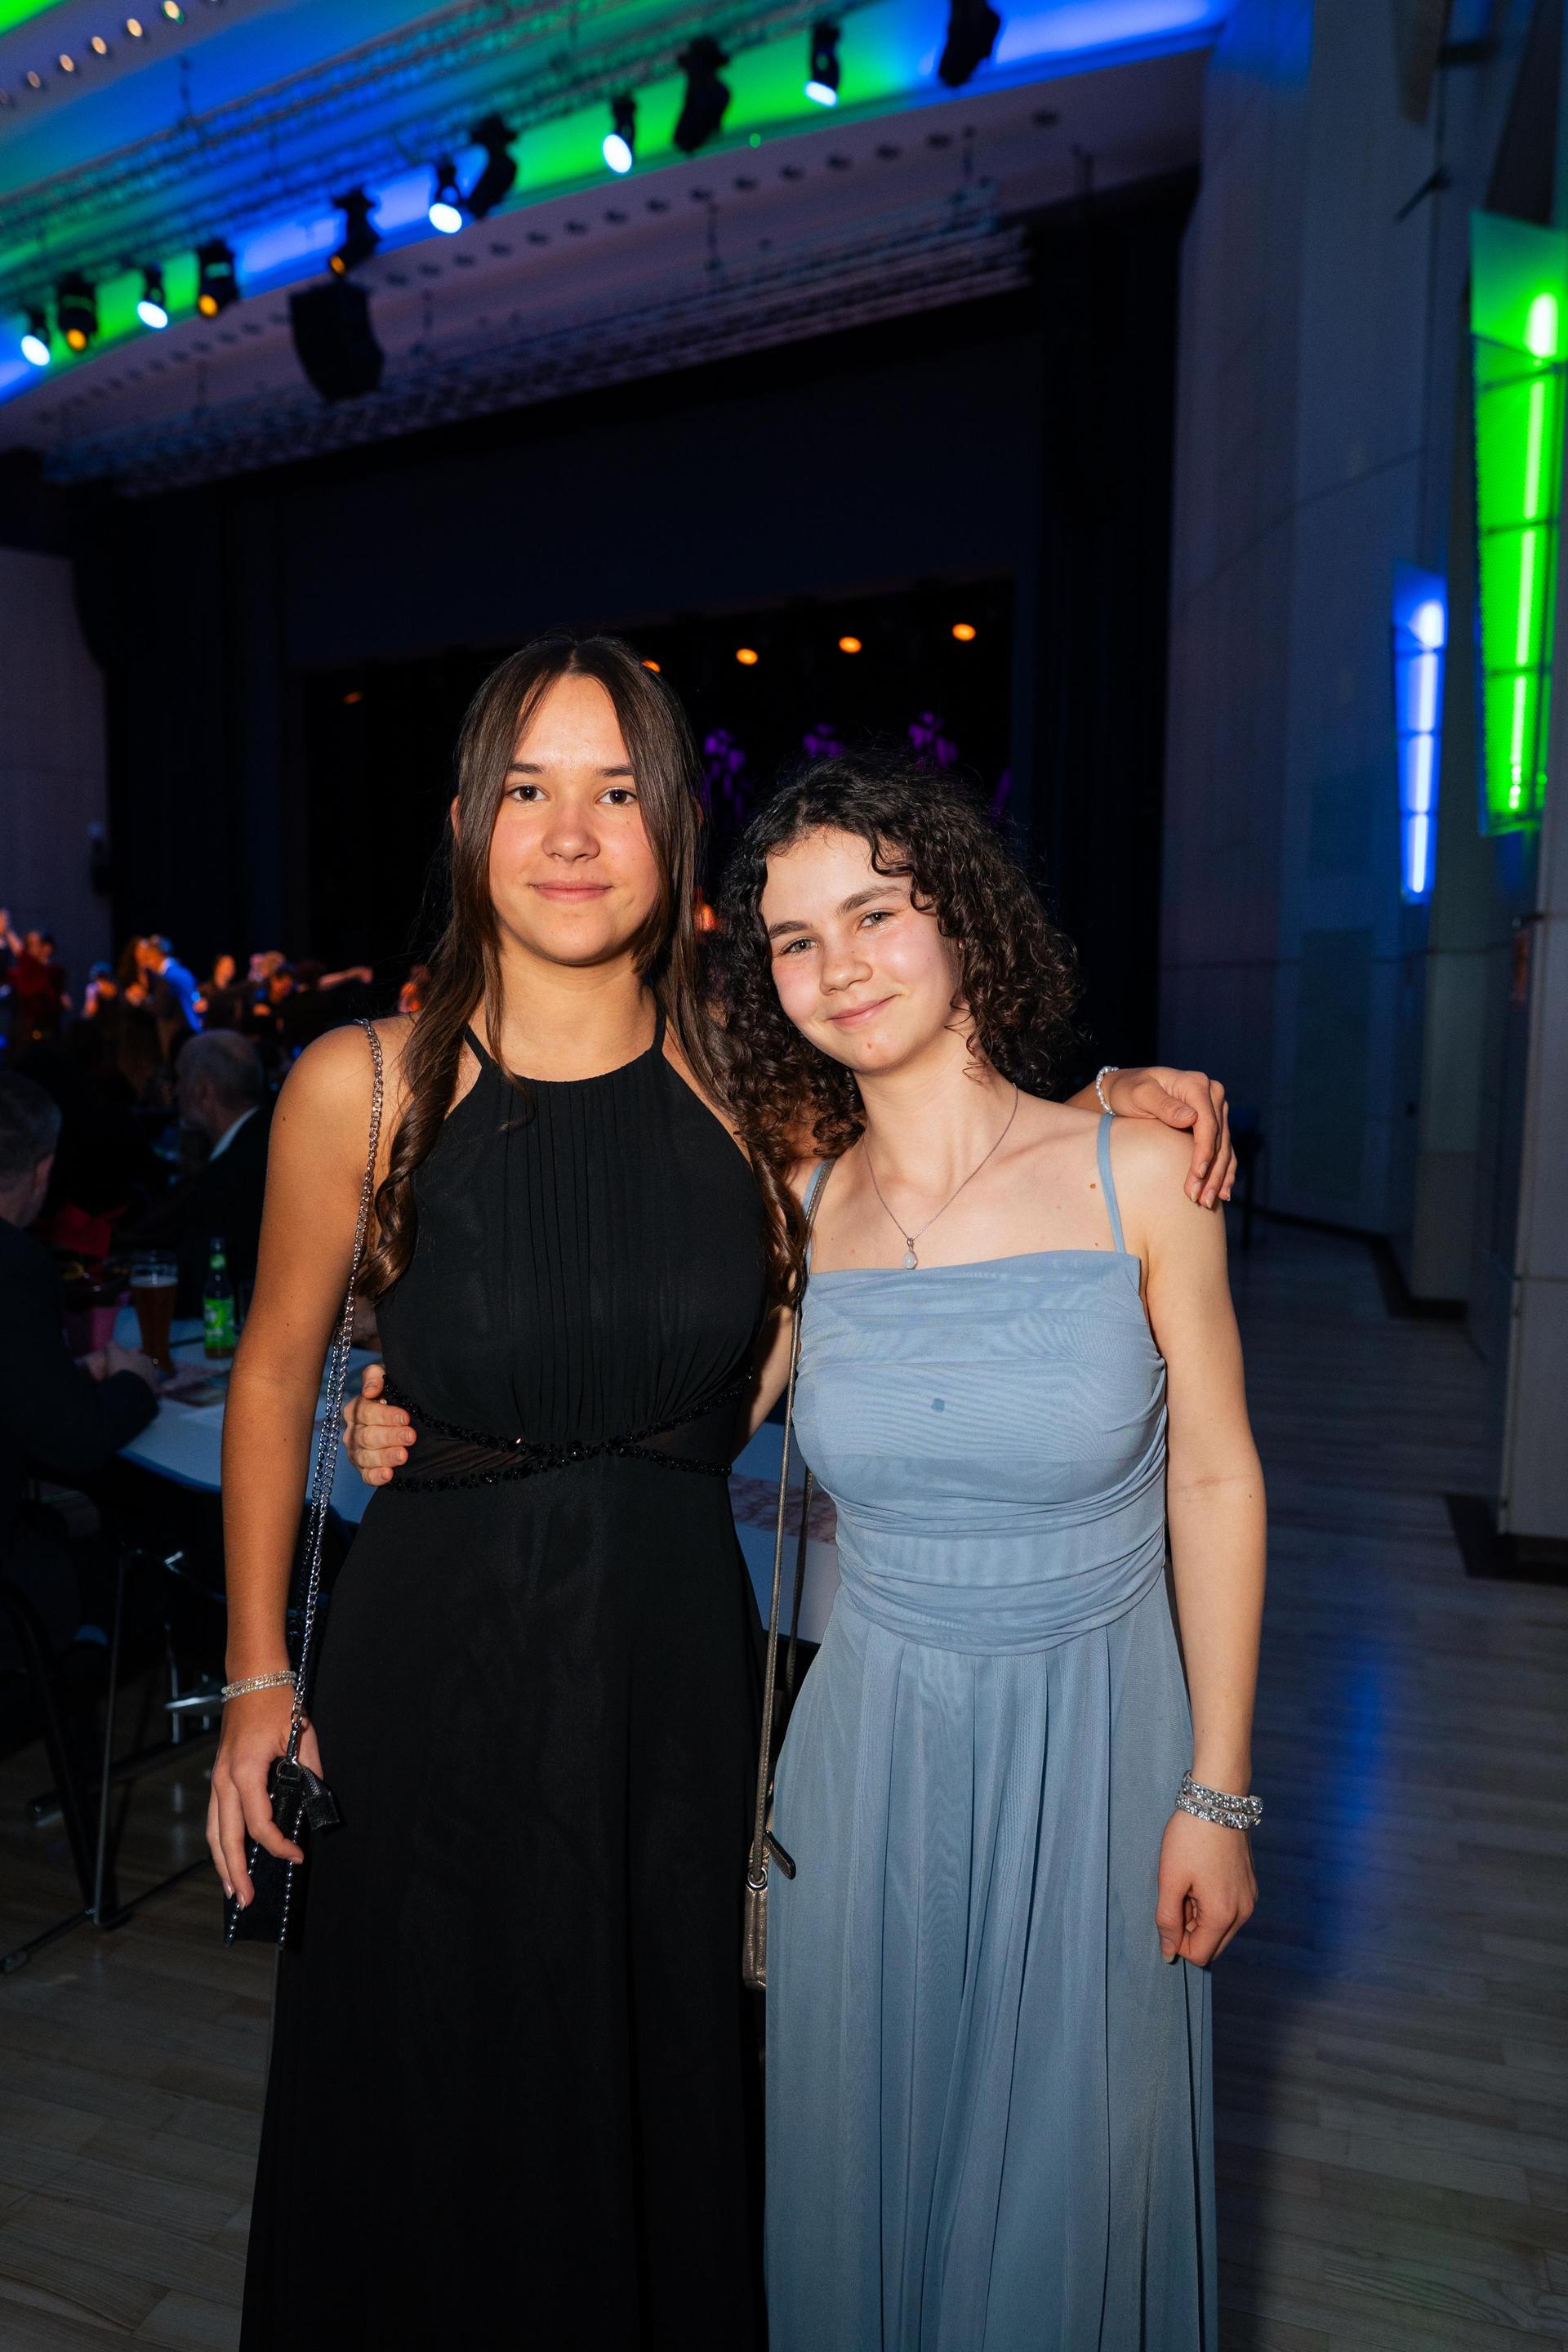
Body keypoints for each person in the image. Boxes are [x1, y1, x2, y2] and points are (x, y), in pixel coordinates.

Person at [237, 635, 1235, 2349]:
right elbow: (274, 1369)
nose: (571, 832)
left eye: (616, 791)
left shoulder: (753, 1095)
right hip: (430, 1675)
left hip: (677, 1685)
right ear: (470, 821)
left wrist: (1114, 1097)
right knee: (418, 2096)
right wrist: (264, 1676)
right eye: (530, 791)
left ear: (671, 832)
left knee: (653, 2088)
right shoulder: (365, 1083)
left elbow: (937, 1151)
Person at [719, 762, 1265, 2350]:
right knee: (864, 2164)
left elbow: (1218, 1479)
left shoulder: (1144, 1173)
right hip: (868, 1758)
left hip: (1099, 1747)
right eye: (794, 941)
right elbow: (657, 1429)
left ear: (961, 917)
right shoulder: (799, 1214)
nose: (840, 967)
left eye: (876, 915)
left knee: (1066, 2192)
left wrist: (1216, 1792)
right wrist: (414, 1403)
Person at [0, 1072, 158, 1613]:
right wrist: (135, 1383)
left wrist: (71, 1376)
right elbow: (78, 1442)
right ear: (43, 1170)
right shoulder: (15, 1264)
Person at [124, 1031, 271, 1315]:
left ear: (204, 1090)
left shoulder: (228, 1175)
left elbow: (199, 1286)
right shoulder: (275, 1137)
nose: (177, 1092)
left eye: (180, 1080)